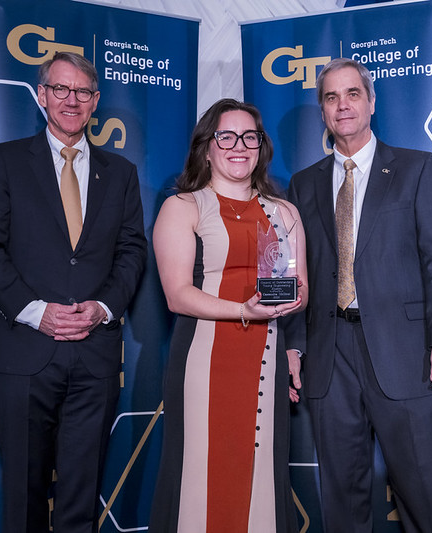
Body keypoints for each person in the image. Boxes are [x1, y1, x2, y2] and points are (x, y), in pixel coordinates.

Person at [0, 51, 147, 533]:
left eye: (83, 92)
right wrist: (34, 311)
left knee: (80, 494)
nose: (72, 100)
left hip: (95, 356)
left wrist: (104, 308)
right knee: (23, 495)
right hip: (25, 351)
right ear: (43, 96)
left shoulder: (121, 173)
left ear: (95, 102)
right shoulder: (5, 160)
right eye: (61, 90)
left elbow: (132, 251)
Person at [285, 58, 432, 532]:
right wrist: (294, 345)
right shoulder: (303, 185)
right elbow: (297, 274)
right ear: (322, 110)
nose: (342, 105)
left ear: (371, 102)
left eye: (352, 94)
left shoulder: (417, 169)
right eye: (331, 97)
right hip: (330, 356)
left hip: (406, 354)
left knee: (428, 491)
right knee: (342, 499)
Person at [149, 98, 308, 532]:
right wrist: (243, 310)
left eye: (250, 136)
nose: (239, 146)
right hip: (204, 360)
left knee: (261, 468)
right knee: (203, 468)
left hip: (267, 359)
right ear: (207, 147)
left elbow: (299, 287)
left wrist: (288, 299)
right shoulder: (182, 207)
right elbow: (178, 295)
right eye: (227, 136)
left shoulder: (284, 212)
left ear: (261, 146)